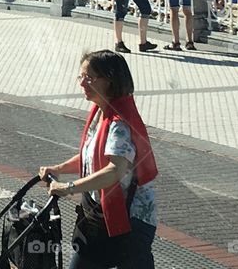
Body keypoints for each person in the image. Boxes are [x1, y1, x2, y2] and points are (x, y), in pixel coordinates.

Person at [39, 50, 158, 269]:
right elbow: (90, 157)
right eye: (80, 76)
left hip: (131, 220)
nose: (82, 83)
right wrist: (59, 168)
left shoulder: (118, 124)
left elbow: (114, 171)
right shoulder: (100, 112)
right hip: (99, 216)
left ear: (110, 80)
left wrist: (68, 187)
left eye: (89, 77)